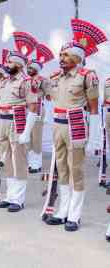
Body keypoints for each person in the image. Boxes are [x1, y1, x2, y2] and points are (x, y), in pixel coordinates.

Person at [44, 18, 106, 231]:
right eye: (61, 54)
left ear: (78, 58)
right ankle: (62, 210)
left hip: (76, 125)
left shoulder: (87, 76)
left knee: (75, 169)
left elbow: (94, 107)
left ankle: (75, 215)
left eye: (66, 55)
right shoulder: (55, 77)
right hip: (58, 125)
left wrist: (96, 137)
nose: (61, 58)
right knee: (61, 168)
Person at [0, 32, 37, 212]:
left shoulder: (27, 81)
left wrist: (26, 131)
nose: (7, 64)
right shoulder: (4, 82)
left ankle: (18, 199)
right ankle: (10, 196)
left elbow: (33, 107)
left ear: (19, 65)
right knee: (6, 160)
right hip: (2, 122)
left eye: (10, 62)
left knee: (18, 159)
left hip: (16, 121)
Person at [26, 44, 54, 174]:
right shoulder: (24, 80)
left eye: (31, 68)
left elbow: (49, 96)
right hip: (25, 109)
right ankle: (30, 162)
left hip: (37, 109)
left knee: (36, 137)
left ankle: (36, 164)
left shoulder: (43, 80)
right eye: (28, 67)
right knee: (27, 137)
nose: (29, 69)